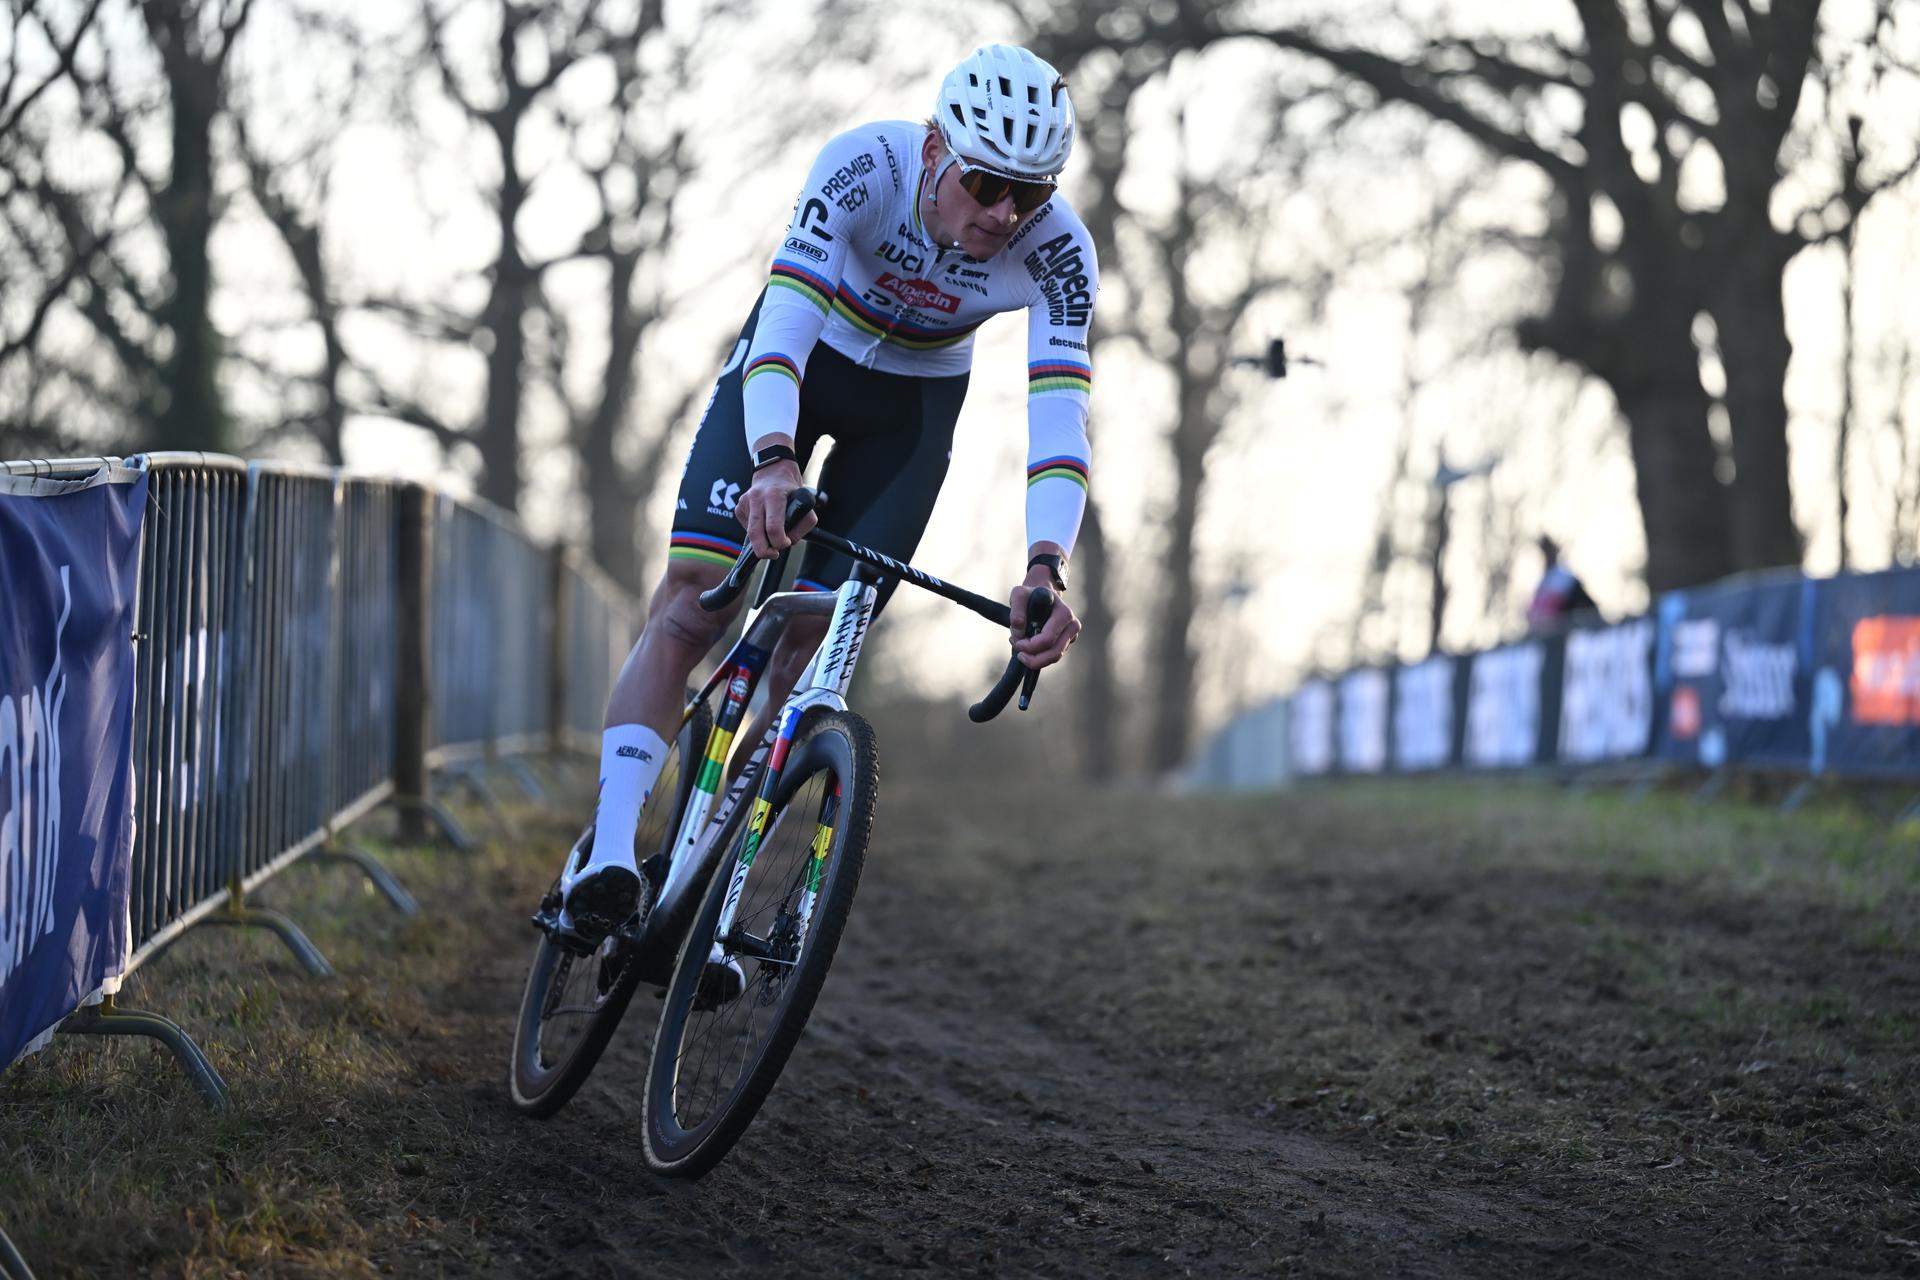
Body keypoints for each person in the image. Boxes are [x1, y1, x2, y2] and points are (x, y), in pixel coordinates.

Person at [559, 44, 1095, 941]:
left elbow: (1060, 414)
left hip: (912, 410)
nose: (1006, 214)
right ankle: (610, 851)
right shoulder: (864, 167)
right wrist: (773, 457)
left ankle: (710, 863)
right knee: (695, 604)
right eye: (987, 184)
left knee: (813, 646)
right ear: (934, 151)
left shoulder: (1059, 251)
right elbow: (787, 319)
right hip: (800, 365)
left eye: (1031, 194)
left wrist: (1047, 563)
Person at [1525, 535, 1596, 632]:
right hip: (1548, 634)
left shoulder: (1564, 577)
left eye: (1548, 552)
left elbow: (1588, 607)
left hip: (1567, 632)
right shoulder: (1543, 582)